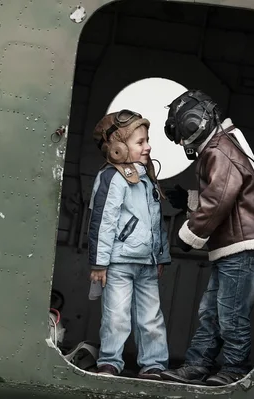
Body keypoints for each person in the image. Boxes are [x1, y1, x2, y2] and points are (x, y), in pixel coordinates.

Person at [160, 90, 254, 386]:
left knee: (231, 314)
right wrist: (188, 199)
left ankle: (235, 368)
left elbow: (220, 197)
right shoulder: (223, 144)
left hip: (240, 247)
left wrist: (190, 234)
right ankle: (198, 364)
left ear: (191, 124)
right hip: (231, 247)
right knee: (211, 311)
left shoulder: (218, 149)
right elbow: (225, 191)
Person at [87, 109, 171, 380]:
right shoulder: (112, 178)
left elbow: (158, 221)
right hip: (119, 262)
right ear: (117, 148)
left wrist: (160, 256)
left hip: (147, 263)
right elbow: (103, 221)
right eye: (140, 142)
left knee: (152, 318)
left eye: (147, 140)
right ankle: (110, 361)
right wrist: (99, 262)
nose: (148, 146)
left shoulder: (147, 178)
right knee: (117, 317)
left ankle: (154, 364)